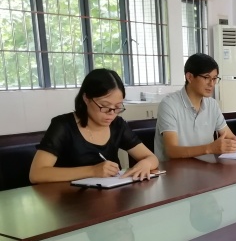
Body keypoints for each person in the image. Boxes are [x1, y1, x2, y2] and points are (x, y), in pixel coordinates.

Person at [30, 69, 158, 184]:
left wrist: (146, 163)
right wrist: (92, 170)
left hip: (110, 197)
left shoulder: (118, 125)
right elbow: (37, 174)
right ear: (86, 98)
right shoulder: (63, 125)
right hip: (70, 198)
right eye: (105, 106)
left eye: (117, 107)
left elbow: (151, 158)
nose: (111, 113)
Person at [154, 53, 236, 161]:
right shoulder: (169, 105)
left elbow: (228, 136)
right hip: (175, 169)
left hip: (207, 167)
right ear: (189, 77)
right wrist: (210, 148)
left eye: (214, 78)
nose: (212, 84)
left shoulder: (212, 105)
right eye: (207, 77)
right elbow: (171, 150)